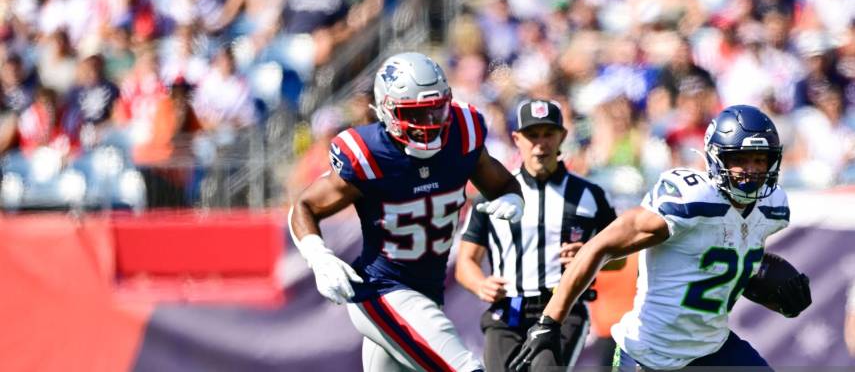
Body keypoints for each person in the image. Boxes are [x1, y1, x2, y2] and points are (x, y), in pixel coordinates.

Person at [509, 105, 813, 371]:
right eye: (741, 159)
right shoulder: (690, 200)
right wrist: (549, 322)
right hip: (651, 355)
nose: (752, 171)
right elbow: (599, 246)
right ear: (717, 158)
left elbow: (729, 258)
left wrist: (767, 284)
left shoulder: (772, 207)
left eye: (760, 160)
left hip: (713, 349)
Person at [289, 52, 524, 372]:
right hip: (381, 290)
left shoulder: (462, 133)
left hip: (427, 292)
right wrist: (317, 256)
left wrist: (513, 197)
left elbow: (503, 183)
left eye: (436, 109)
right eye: (416, 113)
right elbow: (305, 205)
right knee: (465, 368)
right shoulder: (369, 153)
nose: (429, 123)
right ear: (387, 110)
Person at [455, 98, 622, 371]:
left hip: (563, 308)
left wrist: (590, 255)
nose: (540, 143)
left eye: (548, 134)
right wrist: (480, 284)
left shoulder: (591, 195)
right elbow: (465, 263)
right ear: (516, 139)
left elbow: (620, 259)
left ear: (562, 137)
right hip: (508, 309)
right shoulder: (494, 193)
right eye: (532, 135)